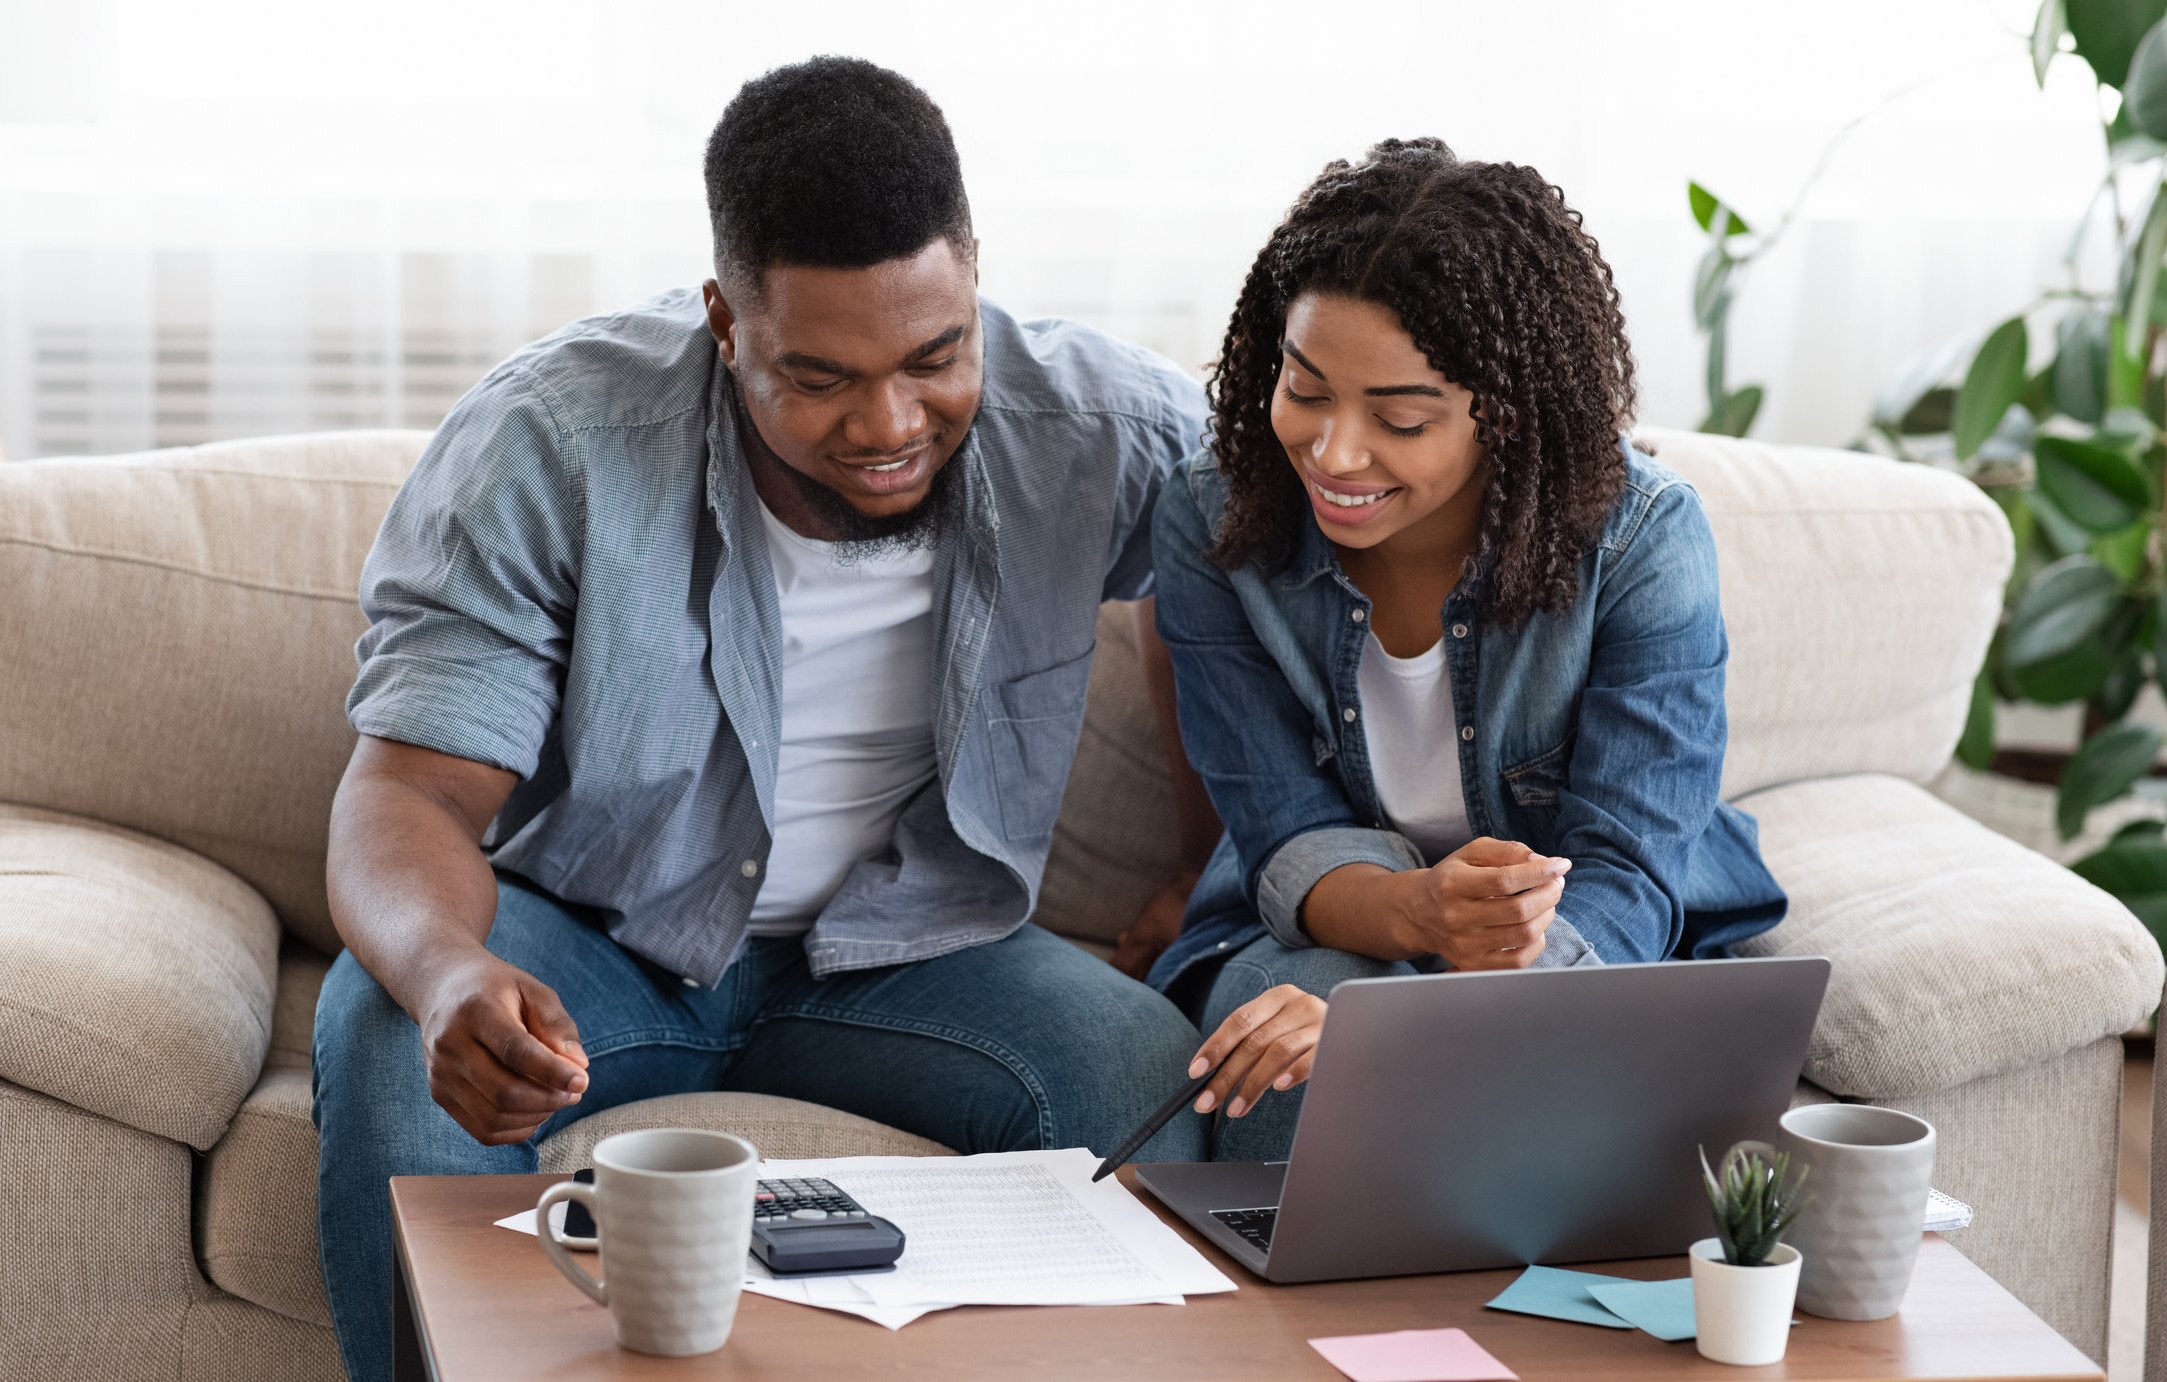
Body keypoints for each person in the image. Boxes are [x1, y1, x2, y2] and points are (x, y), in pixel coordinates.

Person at [312, 58, 1215, 1381]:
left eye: (934, 355)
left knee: (1149, 1070)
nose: (892, 422)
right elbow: (413, 793)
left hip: (923, 947)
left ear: (973, 278)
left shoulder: (1102, 429)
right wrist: (450, 969)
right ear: (726, 323)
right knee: (394, 1032)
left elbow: (1254, 612)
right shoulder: (553, 440)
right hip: (599, 939)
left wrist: (1209, 871)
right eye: (823, 378)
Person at [1137, 138, 1789, 1163]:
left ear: (1507, 412)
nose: (1333, 451)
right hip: (1328, 920)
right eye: (1303, 390)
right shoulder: (1215, 514)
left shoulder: (1641, 540)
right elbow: (1278, 826)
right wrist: (1416, 918)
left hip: (1567, 950)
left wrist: (1427, 1010)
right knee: (1300, 1077)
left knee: (1429, 1079)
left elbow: (1626, 878)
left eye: (1398, 417)